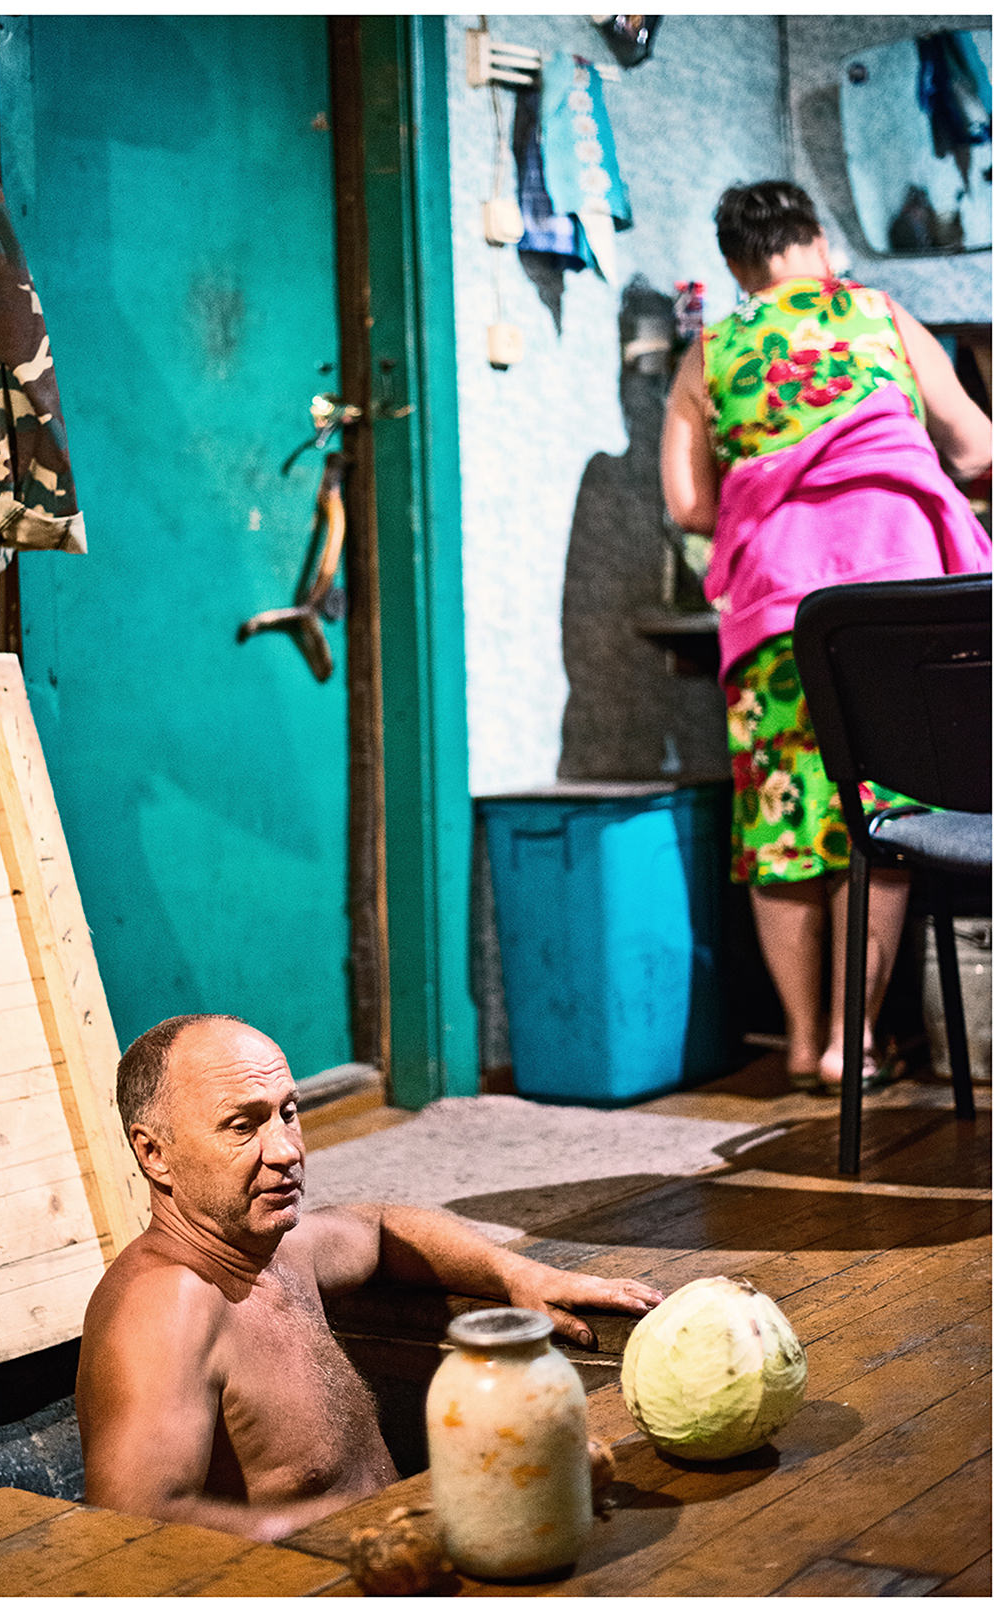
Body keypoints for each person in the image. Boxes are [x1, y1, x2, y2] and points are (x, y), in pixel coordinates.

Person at [76, 1013, 664, 1542]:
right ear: (155, 1155)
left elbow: (380, 1228)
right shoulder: (168, 1301)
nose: (285, 1150)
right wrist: (438, 1514)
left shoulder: (276, 1251)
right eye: (241, 1126)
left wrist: (517, 1273)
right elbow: (130, 1526)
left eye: (287, 1112)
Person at [660, 180, 992, 1094]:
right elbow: (975, 444)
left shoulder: (715, 347)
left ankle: (803, 1043)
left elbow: (688, 501)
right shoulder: (877, 315)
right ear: (816, 240)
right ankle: (859, 1043)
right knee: (879, 817)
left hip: (777, 615)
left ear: (736, 265)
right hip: (888, 615)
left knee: (782, 824)